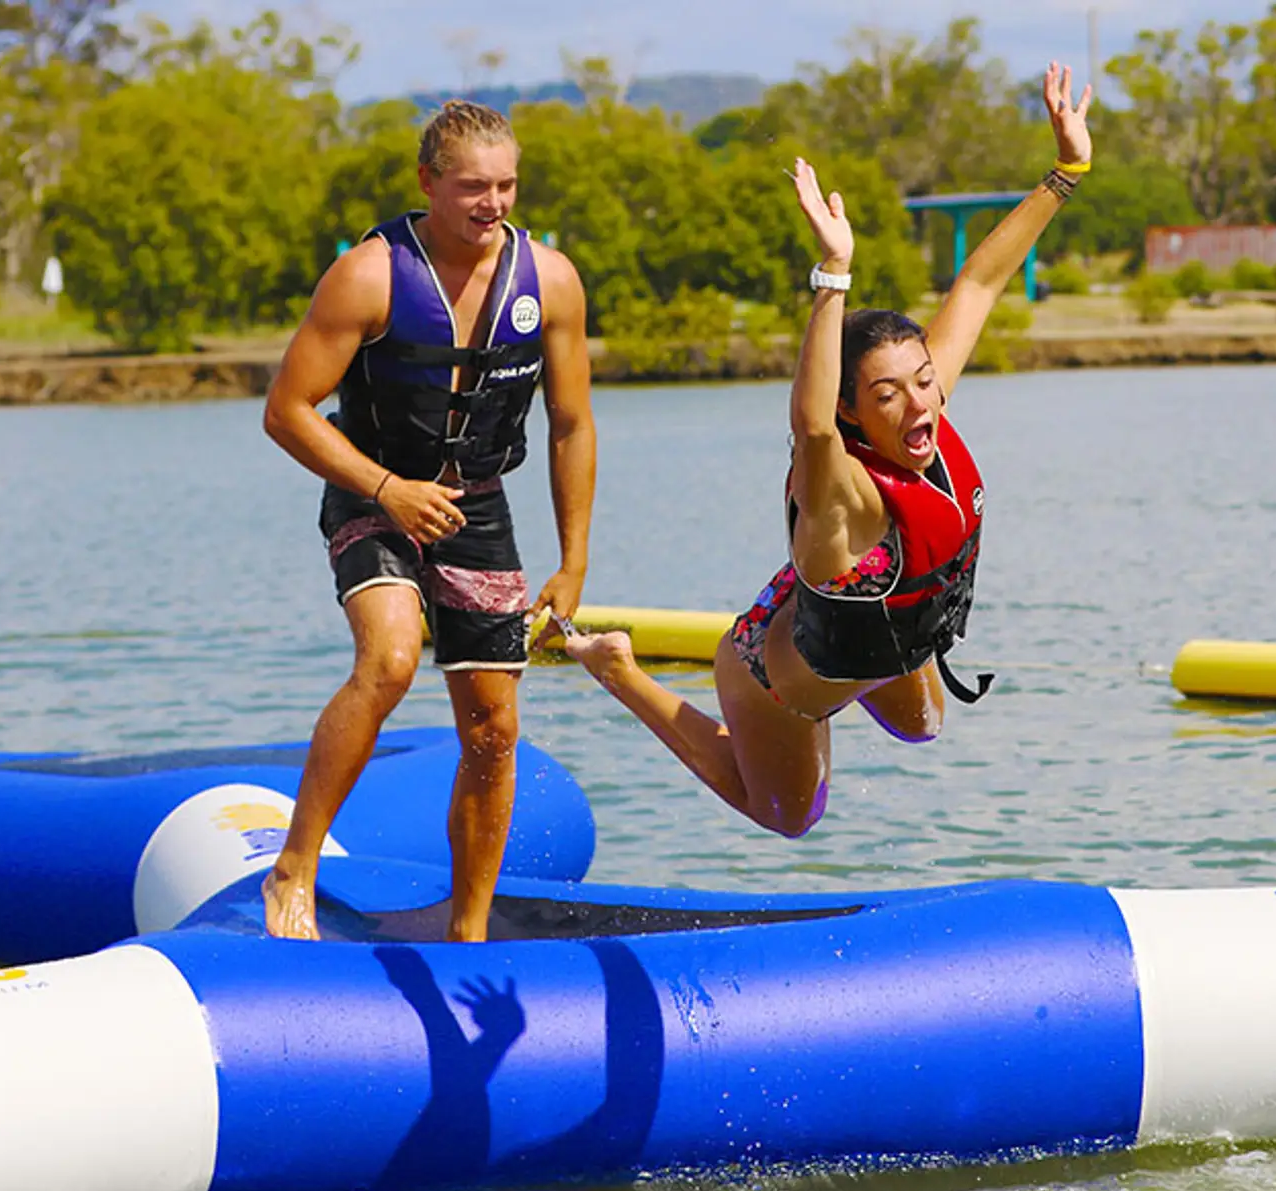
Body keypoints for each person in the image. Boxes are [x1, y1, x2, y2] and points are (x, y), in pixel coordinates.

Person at [560, 62, 1092, 837]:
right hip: (775, 681)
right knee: (789, 817)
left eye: (923, 381)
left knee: (923, 727)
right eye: (887, 395)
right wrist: (833, 274)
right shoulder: (841, 488)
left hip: (876, 634)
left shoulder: (922, 409)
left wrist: (1067, 171)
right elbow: (811, 426)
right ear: (851, 408)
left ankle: (879, 665)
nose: (920, 402)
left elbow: (977, 284)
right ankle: (619, 670)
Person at [259, 100, 596, 941]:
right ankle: (293, 869)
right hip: (372, 495)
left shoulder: (549, 280)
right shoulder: (369, 274)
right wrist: (384, 488)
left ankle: (468, 929)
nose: (493, 203)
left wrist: (574, 559)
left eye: (507, 184)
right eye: (473, 186)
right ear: (428, 183)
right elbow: (288, 411)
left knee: (494, 726)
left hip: (477, 508)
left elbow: (571, 424)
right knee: (391, 658)